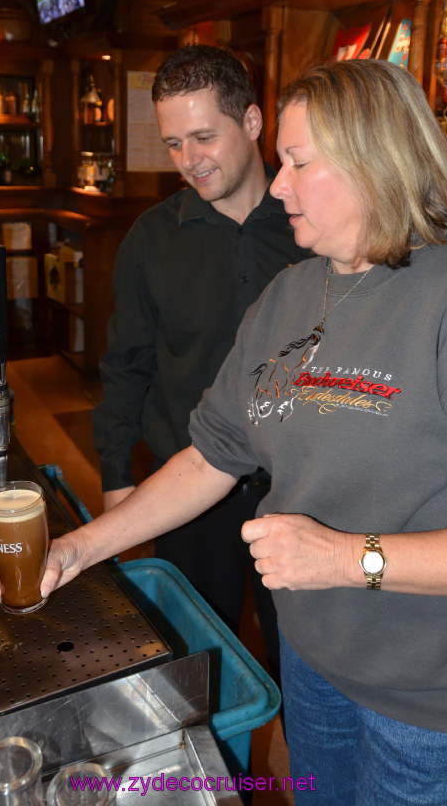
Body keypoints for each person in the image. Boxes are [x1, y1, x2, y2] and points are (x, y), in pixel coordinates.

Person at [0, 59, 447, 805]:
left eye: (300, 163)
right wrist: (81, 547)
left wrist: (346, 559)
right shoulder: (291, 295)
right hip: (314, 668)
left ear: (379, 161)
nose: (278, 186)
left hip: (435, 701)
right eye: (280, 162)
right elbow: (211, 454)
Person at [92, 43, 311, 668]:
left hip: (299, 496)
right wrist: (117, 482)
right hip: (187, 493)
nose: (188, 161)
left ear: (251, 122)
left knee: (303, 674)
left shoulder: (318, 230)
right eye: (172, 144)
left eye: (203, 137)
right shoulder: (150, 240)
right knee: (195, 672)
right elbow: (125, 365)